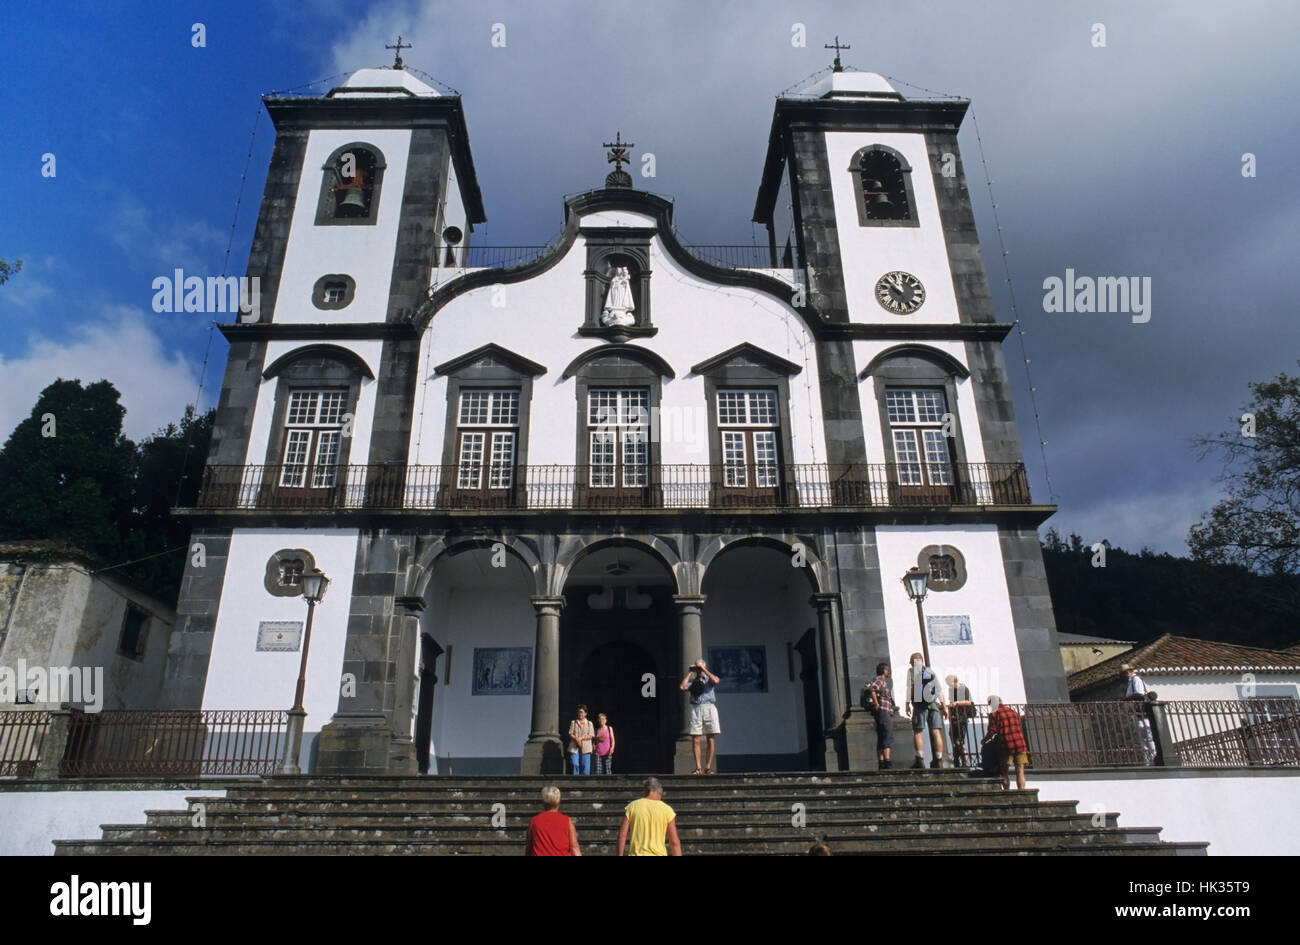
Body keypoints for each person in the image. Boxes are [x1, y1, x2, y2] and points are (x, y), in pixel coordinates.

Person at [617, 777, 682, 856]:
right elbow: (674, 841)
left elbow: (622, 836)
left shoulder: (632, 807)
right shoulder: (667, 810)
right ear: (660, 791)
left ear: (645, 791)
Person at [903, 652, 946, 768]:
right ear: (922, 661)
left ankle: (920, 760)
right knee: (936, 732)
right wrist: (944, 706)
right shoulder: (930, 671)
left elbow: (910, 688)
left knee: (918, 732)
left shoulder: (912, 671)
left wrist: (907, 704)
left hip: (919, 705)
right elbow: (939, 690)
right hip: (933, 705)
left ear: (912, 662)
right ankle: (939, 760)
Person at [680, 659, 721, 775]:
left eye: (700, 668)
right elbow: (682, 687)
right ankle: (698, 767)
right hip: (696, 708)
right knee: (696, 739)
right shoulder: (693, 681)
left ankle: (708, 767)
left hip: (709, 707)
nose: (699, 671)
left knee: (710, 738)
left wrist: (703, 669)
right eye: (698, 668)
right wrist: (689, 672)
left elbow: (716, 681)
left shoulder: (709, 679)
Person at [983, 695, 1028, 790]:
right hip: (1020, 744)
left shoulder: (994, 714)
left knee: (1004, 771)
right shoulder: (1014, 712)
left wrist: (984, 740)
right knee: (1020, 770)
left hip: (1006, 745)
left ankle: (1007, 791)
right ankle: (1022, 791)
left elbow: (992, 731)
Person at [525, 785, 581, 856]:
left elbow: (529, 848)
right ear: (558, 802)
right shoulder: (567, 821)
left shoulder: (534, 821)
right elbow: (574, 848)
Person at [1122, 664, 1158, 764]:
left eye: (1125, 673)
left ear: (1128, 672)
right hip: (1136, 712)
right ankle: (1148, 759)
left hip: (1141, 711)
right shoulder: (1130, 682)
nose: (1124, 676)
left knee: (1147, 734)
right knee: (1143, 736)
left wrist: (1125, 699)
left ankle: (1153, 757)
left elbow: (1139, 694)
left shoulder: (1135, 679)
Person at [865, 662, 895, 770]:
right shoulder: (881, 679)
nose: (889, 671)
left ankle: (882, 762)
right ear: (884, 671)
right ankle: (887, 761)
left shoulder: (882, 680)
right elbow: (872, 688)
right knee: (887, 734)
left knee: (882, 735)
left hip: (884, 711)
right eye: (887, 669)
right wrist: (876, 703)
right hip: (883, 710)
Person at [946, 674, 975, 768]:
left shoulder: (963, 688)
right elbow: (951, 702)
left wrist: (957, 703)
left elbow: (969, 702)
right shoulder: (951, 690)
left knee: (959, 741)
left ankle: (964, 761)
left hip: (962, 717)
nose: (949, 686)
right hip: (954, 717)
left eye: (950, 684)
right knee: (953, 738)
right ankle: (957, 760)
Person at [567, 704, 595, 776]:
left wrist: (581, 738)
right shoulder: (573, 722)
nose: (580, 714)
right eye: (579, 712)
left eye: (582, 712)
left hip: (586, 746)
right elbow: (570, 733)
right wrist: (576, 738)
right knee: (574, 763)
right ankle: (575, 780)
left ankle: (584, 784)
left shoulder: (589, 723)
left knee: (585, 766)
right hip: (574, 746)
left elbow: (591, 735)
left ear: (585, 713)